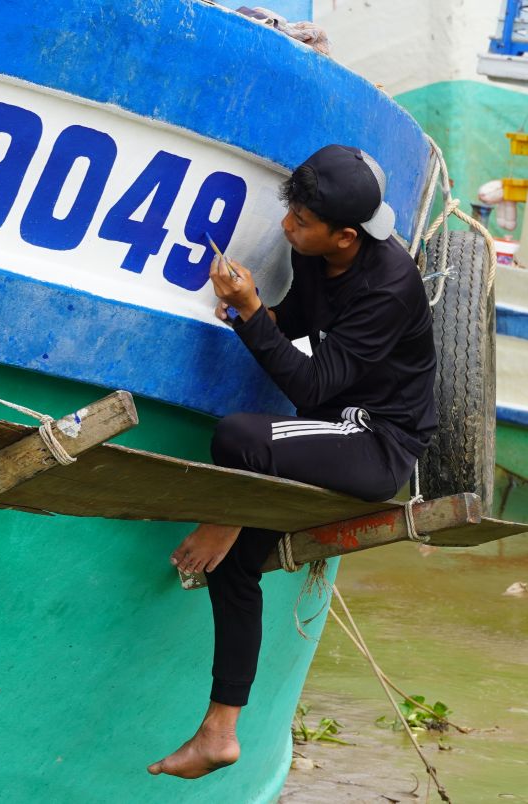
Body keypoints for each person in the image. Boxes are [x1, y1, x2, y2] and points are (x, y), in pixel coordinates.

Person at [147, 144, 438, 779]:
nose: (287, 228)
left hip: (379, 440)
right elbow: (296, 324)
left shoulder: (389, 284)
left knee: (238, 439)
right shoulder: (318, 259)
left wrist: (253, 317)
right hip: (338, 425)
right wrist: (248, 308)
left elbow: (314, 386)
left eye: (300, 222)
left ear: (344, 236)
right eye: (291, 214)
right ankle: (219, 732)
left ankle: (227, 518)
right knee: (234, 569)